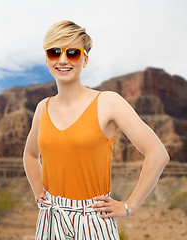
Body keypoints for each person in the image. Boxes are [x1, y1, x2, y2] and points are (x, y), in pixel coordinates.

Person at [23, 20, 170, 240]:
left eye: (72, 52)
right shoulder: (42, 108)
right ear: (47, 59)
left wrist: (129, 206)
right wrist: (38, 193)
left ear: (85, 59)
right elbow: (30, 154)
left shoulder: (108, 102)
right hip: (50, 217)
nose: (63, 60)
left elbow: (158, 154)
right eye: (55, 52)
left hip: (93, 219)